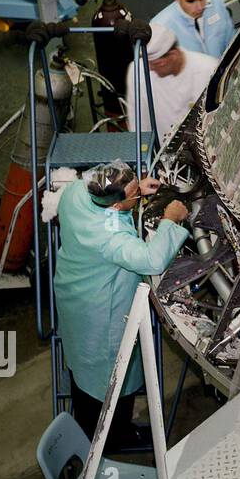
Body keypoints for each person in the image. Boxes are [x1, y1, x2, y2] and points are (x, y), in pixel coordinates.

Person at [53, 163, 189, 449]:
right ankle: (112, 438)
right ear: (116, 205)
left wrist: (136, 190)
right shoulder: (110, 238)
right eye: (132, 195)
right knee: (112, 379)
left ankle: (92, 428)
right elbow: (152, 259)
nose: (137, 193)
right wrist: (170, 220)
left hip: (75, 298)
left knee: (84, 373)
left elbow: (114, 213)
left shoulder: (77, 192)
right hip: (104, 318)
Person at [127, 24, 218, 142]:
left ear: (174, 55)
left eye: (156, 63)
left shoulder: (209, 69)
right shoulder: (137, 71)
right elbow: (137, 123)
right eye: (146, 62)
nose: (149, 69)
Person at [151, 0, 235, 59]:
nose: (200, 7)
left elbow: (231, 39)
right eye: (191, 1)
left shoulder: (215, 3)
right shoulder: (161, 26)